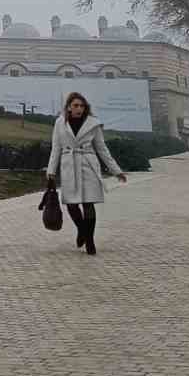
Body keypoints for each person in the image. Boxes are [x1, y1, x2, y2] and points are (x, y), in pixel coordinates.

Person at [45, 92, 127, 255]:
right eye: (75, 105)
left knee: (88, 204)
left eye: (82, 106)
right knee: (71, 203)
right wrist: (51, 170)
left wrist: (116, 170)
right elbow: (56, 148)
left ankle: (90, 241)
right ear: (69, 107)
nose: (79, 109)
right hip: (69, 165)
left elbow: (102, 149)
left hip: (88, 165)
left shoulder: (93, 124)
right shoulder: (60, 123)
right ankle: (82, 230)